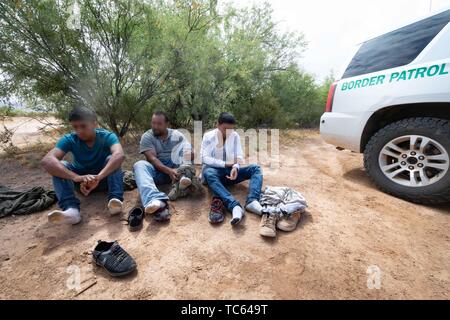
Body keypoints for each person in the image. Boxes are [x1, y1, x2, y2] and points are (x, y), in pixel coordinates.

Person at [41, 107, 125, 225]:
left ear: (94, 123)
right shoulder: (70, 139)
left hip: (103, 180)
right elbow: (47, 161)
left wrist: (98, 177)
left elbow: (119, 155)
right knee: (61, 165)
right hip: (81, 184)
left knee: (112, 158)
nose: (79, 131)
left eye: (83, 126)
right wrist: (77, 177)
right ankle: (71, 211)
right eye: (75, 127)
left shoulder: (107, 136)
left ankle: (115, 201)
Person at [201, 112, 263, 226]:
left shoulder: (235, 136)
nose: (228, 132)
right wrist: (225, 164)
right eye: (225, 129)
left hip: (230, 174)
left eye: (231, 129)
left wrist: (235, 167)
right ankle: (234, 206)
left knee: (256, 168)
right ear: (217, 125)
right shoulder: (208, 136)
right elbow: (205, 158)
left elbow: (238, 156)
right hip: (214, 174)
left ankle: (252, 201)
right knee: (208, 172)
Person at [133, 111, 194, 222]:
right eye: (153, 123)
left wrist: (188, 154)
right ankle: (154, 200)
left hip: (177, 170)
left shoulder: (177, 134)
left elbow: (189, 153)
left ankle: (184, 178)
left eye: (159, 124)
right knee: (139, 165)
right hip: (158, 172)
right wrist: (169, 170)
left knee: (185, 145)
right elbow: (152, 159)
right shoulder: (147, 136)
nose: (155, 126)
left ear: (167, 124)